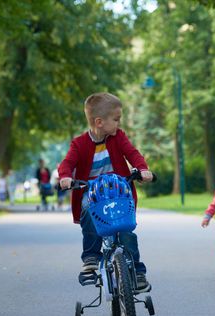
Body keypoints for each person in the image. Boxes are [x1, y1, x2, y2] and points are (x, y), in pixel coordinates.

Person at [58, 92, 153, 292]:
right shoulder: (79, 143)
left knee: (126, 230)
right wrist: (65, 176)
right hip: (92, 193)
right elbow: (67, 163)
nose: (119, 124)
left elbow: (133, 154)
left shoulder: (118, 137)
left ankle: (137, 270)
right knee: (87, 209)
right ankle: (91, 258)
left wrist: (142, 169)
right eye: (116, 119)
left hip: (118, 191)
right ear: (99, 122)